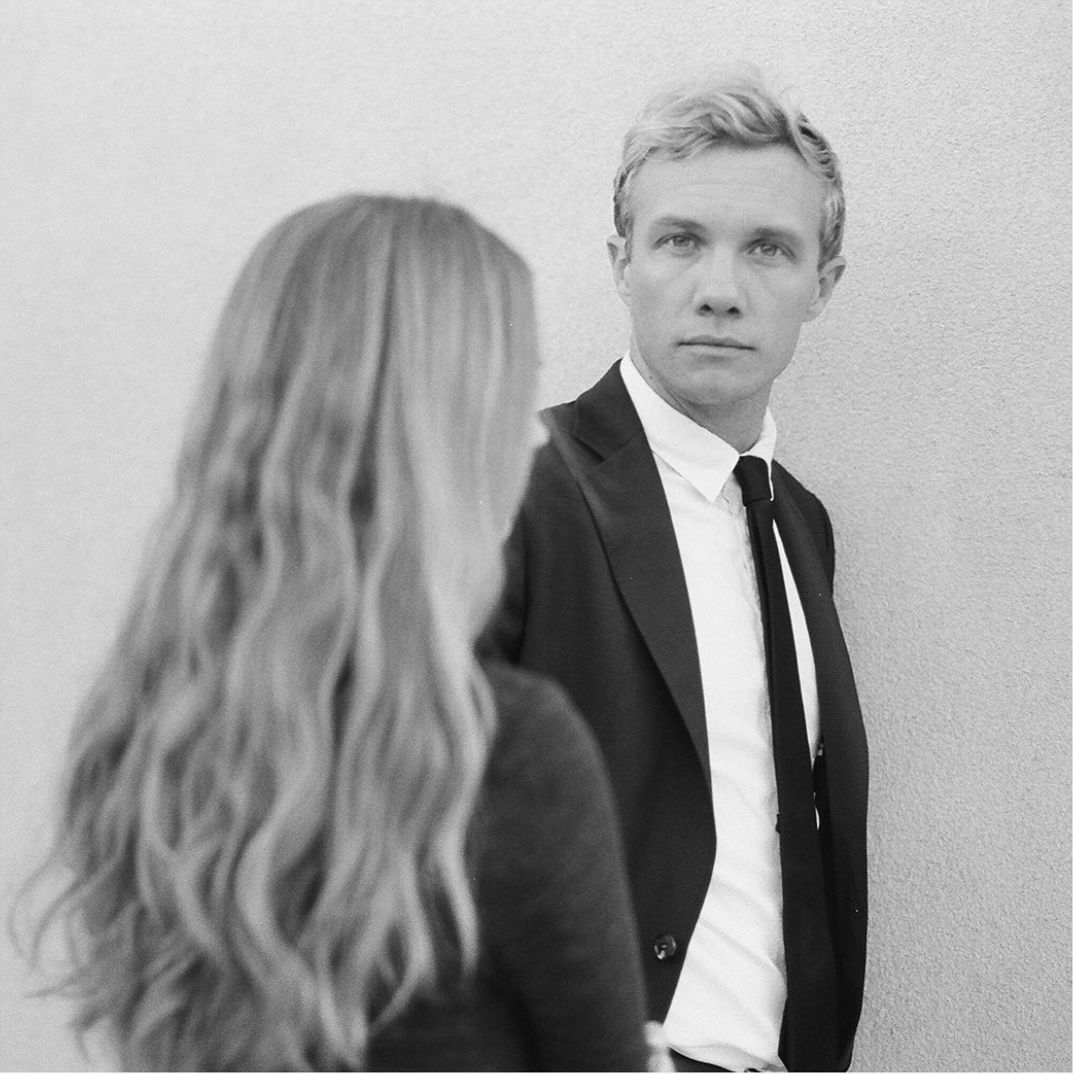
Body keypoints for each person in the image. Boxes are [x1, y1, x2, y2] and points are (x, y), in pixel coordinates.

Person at [23, 194, 655, 1071]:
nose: (535, 440)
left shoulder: (149, 727)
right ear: (436, 439)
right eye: (511, 395)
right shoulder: (501, 752)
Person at [484, 72, 869, 1072]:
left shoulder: (799, 525)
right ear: (622, 264)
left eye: (767, 248)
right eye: (680, 240)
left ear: (822, 283)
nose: (719, 288)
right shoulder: (517, 489)